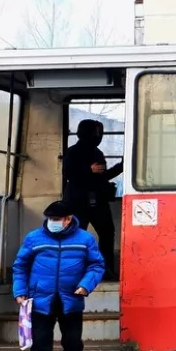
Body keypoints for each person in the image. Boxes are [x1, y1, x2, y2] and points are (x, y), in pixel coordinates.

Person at [12, 201, 106, 351]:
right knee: (40, 347)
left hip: (71, 300)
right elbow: (20, 266)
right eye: (50, 219)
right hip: (39, 302)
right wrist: (20, 291)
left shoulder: (85, 239)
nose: (52, 223)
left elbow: (96, 265)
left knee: (73, 345)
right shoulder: (34, 238)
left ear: (68, 219)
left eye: (56, 219)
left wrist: (85, 285)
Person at [62, 119, 121, 279]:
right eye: (95, 132)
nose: (98, 136)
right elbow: (68, 173)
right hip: (77, 201)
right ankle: (74, 271)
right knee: (76, 236)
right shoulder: (73, 151)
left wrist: (121, 167)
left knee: (108, 233)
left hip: (97, 200)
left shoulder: (97, 152)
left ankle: (105, 270)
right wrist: (89, 170)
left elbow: (102, 176)